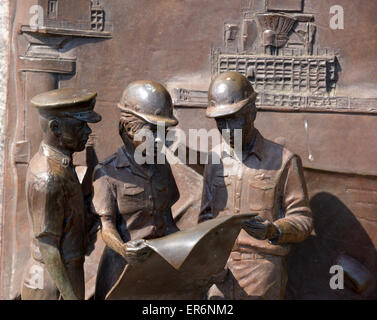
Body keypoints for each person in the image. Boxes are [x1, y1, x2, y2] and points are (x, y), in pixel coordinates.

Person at [199, 71, 313, 300]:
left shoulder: (283, 160)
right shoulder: (214, 161)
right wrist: (210, 261)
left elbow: (303, 219)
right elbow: (205, 220)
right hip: (218, 274)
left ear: (252, 112)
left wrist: (274, 230)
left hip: (263, 272)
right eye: (221, 122)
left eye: (235, 118)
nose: (228, 129)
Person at [92, 80, 180, 300]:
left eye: (164, 131)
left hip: (159, 270)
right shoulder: (107, 172)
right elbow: (106, 226)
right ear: (129, 128)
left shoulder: (162, 167)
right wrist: (123, 249)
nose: (160, 140)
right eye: (153, 131)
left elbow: (167, 221)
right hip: (122, 272)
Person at [21, 88, 102, 300]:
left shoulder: (61, 165)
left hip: (66, 272)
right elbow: (48, 247)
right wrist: (70, 296)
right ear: (56, 128)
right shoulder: (48, 177)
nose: (87, 132)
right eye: (80, 125)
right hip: (53, 282)